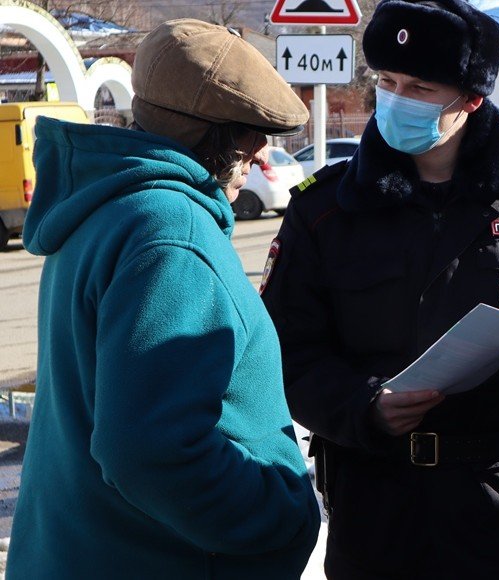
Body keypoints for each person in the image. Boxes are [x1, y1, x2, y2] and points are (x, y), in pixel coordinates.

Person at [260, 1, 499, 578]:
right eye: (386, 81)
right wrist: (364, 406)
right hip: (378, 507)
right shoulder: (324, 209)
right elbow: (285, 352)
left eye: (421, 86)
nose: (395, 98)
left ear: (471, 100)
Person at [7, 20, 320, 579]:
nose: (261, 150)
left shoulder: (108, 202)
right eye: (253, 133)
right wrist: (280, 515)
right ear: (217, 137)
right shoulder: (171, 232)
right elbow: (149, 451)